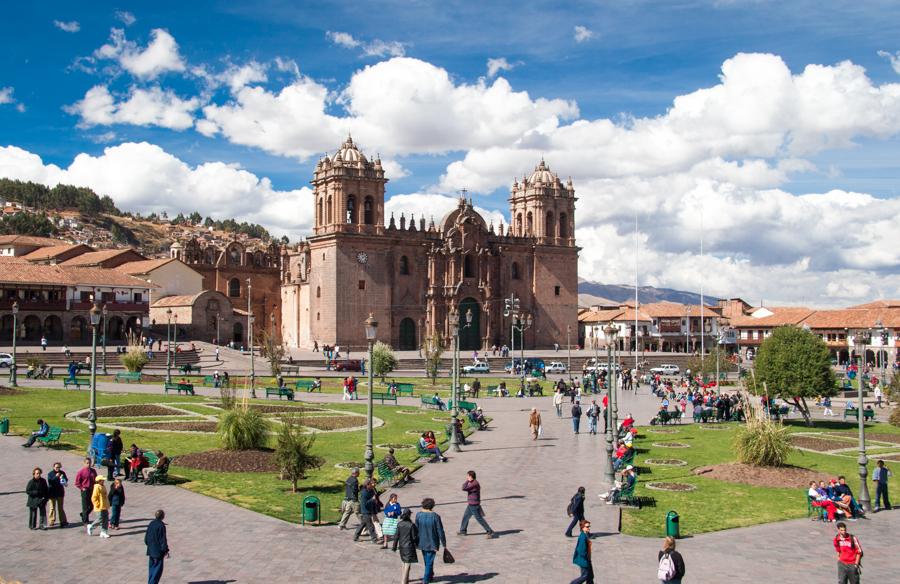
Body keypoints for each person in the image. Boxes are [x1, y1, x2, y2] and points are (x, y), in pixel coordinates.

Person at [416, 497, 447, 584]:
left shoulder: (418, 515)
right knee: (429, 561)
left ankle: (430, 575)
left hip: (422, 542)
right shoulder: (435, 516)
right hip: (432, 542)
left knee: (427, 560)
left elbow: (416, 529)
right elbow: (440, 531)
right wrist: (444, 543)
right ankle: (426, 580)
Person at [459, 470, 496, 538]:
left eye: (467, 476)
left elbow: (463, 488)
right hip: (471, 504)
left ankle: (490, 531)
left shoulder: (474, 483)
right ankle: (462, 531)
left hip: (474, 504)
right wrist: (468, 480)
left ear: (471, 476)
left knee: (479, 518)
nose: (466, 477)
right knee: (465, 517)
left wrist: (467, 481)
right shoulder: (472, 482)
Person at [392, 508, 418, 584]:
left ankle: (406, 580)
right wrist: (417, 543)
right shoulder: (411, 525)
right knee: (407, 565)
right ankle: (403, 581)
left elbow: (396, 537)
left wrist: (394, 547)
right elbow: (414, 537)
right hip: (409, 547)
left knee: (403, 563)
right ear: (409, 515)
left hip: (402, 547)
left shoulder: (399, 524)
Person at [146, 509, 170, 584]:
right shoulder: (161, 526)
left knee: (151, 570)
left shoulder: (151, 523)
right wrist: (165, 550)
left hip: (150, 551)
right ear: (162, 517)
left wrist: (149, 546)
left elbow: (146, 538)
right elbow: (162, 540)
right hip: (158, 553)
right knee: (156, 572)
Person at [353, 478, 380, 544]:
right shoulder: (364, 493)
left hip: (369, 510)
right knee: (370, 525)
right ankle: (374, 539)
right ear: (367, 485)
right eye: (371, 484)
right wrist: (372, 499)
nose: (372, 485)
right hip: (365, 511)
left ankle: (355, 536)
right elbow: (365, 504)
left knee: (363, 524)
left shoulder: (370, 490)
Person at [570, 519, 594, 584]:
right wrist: (586, 557)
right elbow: (581, 550)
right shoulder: (582, 537)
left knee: (590, 576)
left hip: (587, 559)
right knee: (585, 576)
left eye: (589, 526)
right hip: (584, 560)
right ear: (583, 528)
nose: (589, 528)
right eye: (587, 527)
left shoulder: (585, 535)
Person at [75, 457, 97, 524]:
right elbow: (77, 483)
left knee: (92, 505)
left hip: (92, 489)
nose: (89, 464)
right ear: (84, 463)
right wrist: (82, 488)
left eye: (90, 463)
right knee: (85, 506)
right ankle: (85, 521)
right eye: (87, 463)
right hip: (85, 490)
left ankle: (83, 514)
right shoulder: (81, 472)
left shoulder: (93, 471)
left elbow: (96, 479)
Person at [47, 461, 69, 528]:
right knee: (52, 508)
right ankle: (51, 521)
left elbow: (66, 482)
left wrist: (63, 478)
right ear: (53, 467)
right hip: (52, 493)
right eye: (56, 467)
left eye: (59, 467)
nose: (58, 468)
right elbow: (50, 482)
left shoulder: (62, 473)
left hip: (60, 493)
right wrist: (56, 477)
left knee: (60, 508)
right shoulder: (50, 474)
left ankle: (63, 521)